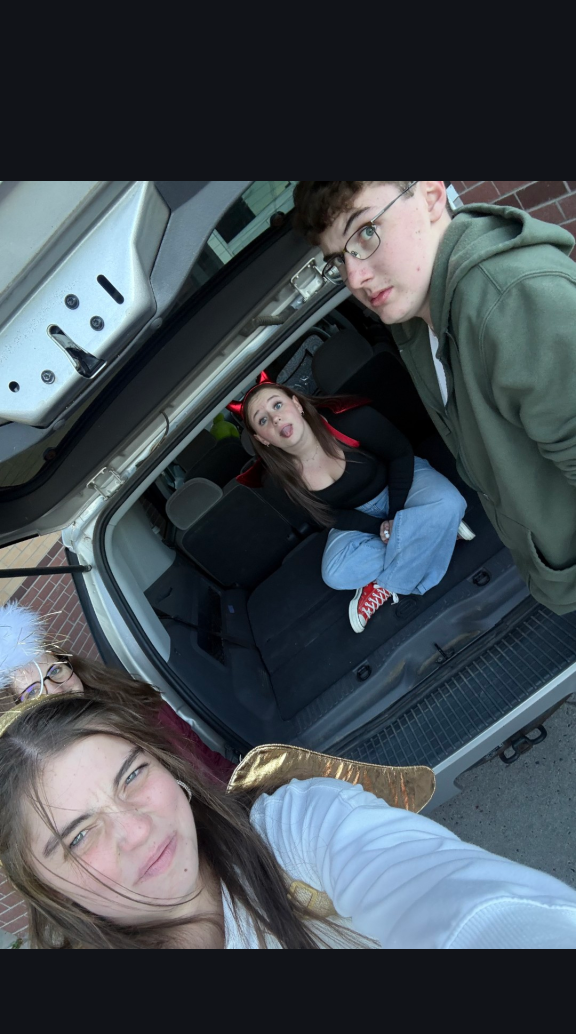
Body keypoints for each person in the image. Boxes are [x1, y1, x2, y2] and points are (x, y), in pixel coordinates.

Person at [2, 692, 576, 949]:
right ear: (42, 887)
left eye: (132, 776)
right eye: (79, 836)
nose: (135, 829)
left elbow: (460, 904)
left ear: (171, 770)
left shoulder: (298, 826)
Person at [292, 181, 576, 615]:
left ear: (429, 195)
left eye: (366, 231)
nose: (354, 277)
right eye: (337, 260)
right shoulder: (417, 321)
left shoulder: (512, 302)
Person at [237, 378, 467, 632]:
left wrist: (395, 516)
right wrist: (381, 528)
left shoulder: (349, 421)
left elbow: (400, 454)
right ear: (263, 439)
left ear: (297, 404)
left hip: (402, 485)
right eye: (262, 420)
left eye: (277, 405)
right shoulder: (277, 481)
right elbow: (326, 516)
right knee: (335, 574)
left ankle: (386, 585)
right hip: (358, 518)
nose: (275, 418)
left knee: (450, 503)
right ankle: (434, 531)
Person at [0, 601, 234, 785]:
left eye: (55, 671)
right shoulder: (53, 774)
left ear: (70, 665)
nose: (55, 691)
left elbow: (205, 760)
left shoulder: (133, 699)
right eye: (33, 692)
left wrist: (241, 788)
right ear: (23, 709)